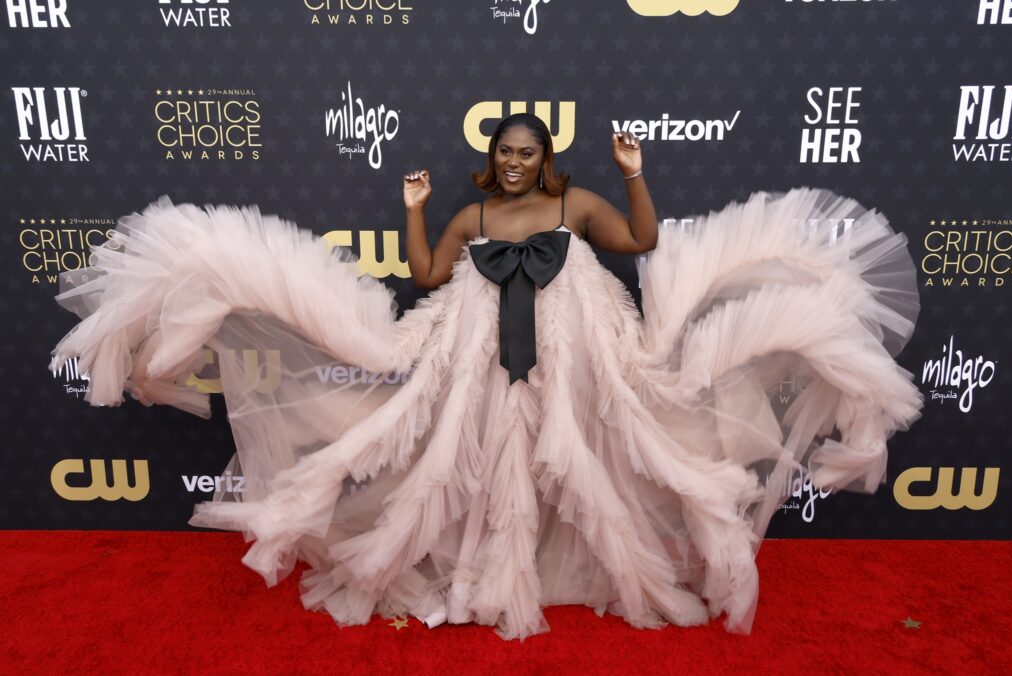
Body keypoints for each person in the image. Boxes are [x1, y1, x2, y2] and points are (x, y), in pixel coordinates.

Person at [49, 113, 923, 640]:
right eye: (503, 151)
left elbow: (639, 242)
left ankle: (579, 570)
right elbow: (429, 275)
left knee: (581, 455)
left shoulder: (575, 205)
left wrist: (633, 174)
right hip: (474, 357)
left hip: (578, 356)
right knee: (467, 460)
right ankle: (481, 576)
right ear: (491, 158)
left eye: (526, 151)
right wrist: (415, 209)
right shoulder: (472, 212)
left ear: (544, 159)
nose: (514, 160)